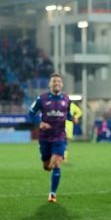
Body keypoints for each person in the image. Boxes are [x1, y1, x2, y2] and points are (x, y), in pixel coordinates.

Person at [29, 73, 74, 203]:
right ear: (49, 84)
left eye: (59, 82)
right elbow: (31, 113)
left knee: (55, 164)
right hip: (44, 138)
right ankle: (46, 159)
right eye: (54, 81)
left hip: (60, 137)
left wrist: (73, 119)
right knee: (46, 166)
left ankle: (52, 194)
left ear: (62, 84)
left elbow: (68, 115)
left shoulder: (67, 100)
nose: (56, 84)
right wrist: (40, 123)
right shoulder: (41, 99)